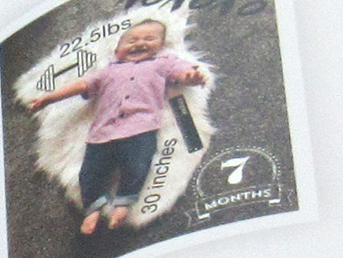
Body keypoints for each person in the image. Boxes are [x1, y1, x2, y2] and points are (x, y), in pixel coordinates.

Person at [21, 18, 206, 234]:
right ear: (117, 51)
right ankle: (93, 208)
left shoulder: (162, 63)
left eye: (149, 39)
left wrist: (191, 76)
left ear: (161, 46)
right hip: (102, 133)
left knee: (137, 166)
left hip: (140, 128)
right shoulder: (107, 71)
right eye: (131, 41)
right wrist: (50, 98)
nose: (139, 43)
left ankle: (123, 203)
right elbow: (81, 84)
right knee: (89, 173)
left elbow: (181, 71)